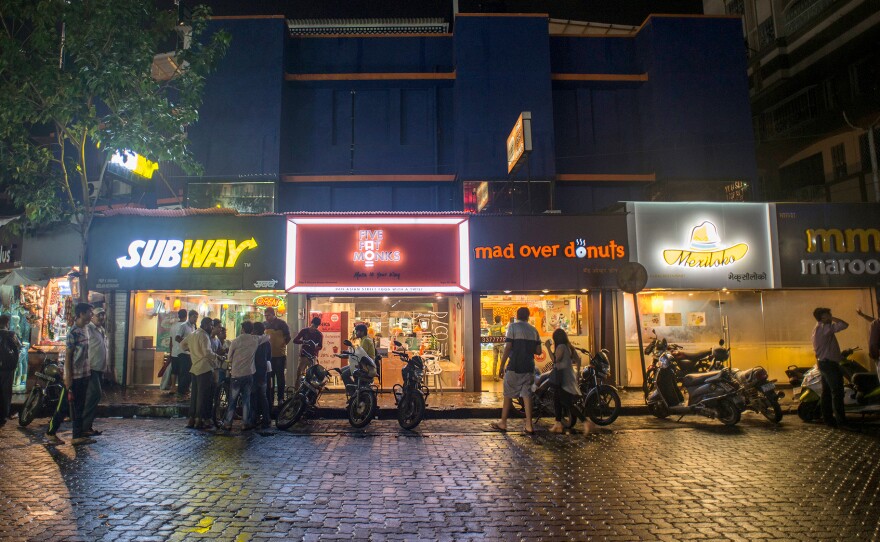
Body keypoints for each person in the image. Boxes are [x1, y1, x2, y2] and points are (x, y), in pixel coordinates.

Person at [46, 303, 95, 445]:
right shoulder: (73, 332)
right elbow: (68, 356)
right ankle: (50, 432)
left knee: (80, 406)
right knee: (64, 406)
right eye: (89, 312)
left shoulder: (85, 329)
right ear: (81, 314)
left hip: (84, 374)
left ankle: (77, 436)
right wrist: (68, 377)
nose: (91, 315)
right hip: (74, 376)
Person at [492, 307, 541, 434]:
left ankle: (503, 422)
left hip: (514, 366)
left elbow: (508, 347)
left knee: (508, 394)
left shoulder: (512, 327)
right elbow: (538, 351)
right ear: (528, 316)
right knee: (527, 395)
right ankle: (529, 425)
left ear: (517, 315)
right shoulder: (534, 330)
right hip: (529, 367)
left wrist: (501, 365)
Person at [811, 307, 852, 430]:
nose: (831, 316)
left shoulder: (817, 329)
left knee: (827, 392)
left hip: (823, 363)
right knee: (837, 392)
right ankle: (842, 422)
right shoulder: (825, 328)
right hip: (829, 365)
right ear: (823, 317)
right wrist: (831, 319)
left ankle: (828, 419)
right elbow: (844, 324)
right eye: (828, 315)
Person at [181, 317, 221, 429]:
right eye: (211, 325)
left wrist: (193, 351)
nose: (212, 327)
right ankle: (199, 419)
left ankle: (191, 419)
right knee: (202, 395)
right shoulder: (204, 336)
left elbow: (182, 345)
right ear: (207, 325)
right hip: (204, 368)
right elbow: (207, 352)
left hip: (194, 368)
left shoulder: (193, 334)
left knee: (194, 394)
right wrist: (218, 357)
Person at [222, 321, 262, 431]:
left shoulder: (236, 341)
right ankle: (245, 423)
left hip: (236, 374)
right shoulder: (255, 340)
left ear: (242, 329)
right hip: (249, 374)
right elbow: (266, 337)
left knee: (232, 400)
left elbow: (229, 358)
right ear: (251, 330)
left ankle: (228, 423)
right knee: (246, 400)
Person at [544, 329, 583, 434]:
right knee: (558, 400)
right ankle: (558, 424)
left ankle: (585, 421)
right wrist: (578, 373)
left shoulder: (561, 347)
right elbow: (578, 359)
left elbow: (555, 360)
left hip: (562, 377)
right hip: (568, 375)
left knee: (566, 402)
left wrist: (548, 347)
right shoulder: (569, 346)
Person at [82, 308, 109, 437]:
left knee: (94, 397)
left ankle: (86, 426)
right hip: (91, 368)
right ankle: (84, 426)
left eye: (103, 315)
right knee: (94, 395)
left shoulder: (101, 330)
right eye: (99, 315)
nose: (102, 317)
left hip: (99, 369)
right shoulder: (89, 329)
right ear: (92, 316)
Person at [264, 307, 291, 409]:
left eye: (268, 315)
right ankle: (270, 398)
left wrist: (281, 345)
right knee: (269, 378)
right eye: (265, 316)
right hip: (268, 356)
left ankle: (280, 398)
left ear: (273, 314)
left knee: (280, 377)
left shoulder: (281, 324)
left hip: (279, 355)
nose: (267, 318)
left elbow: (288, 337)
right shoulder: (264, 325)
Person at [0, 314, 22, 427]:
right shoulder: (11, 334)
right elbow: (19, 345)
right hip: (8, 368)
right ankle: (3, 416)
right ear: (7, 323)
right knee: (5, 392)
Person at [251, 322, 272, 428]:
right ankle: (266, 418)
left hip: (253, 370)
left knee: (253, 395)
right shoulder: (266, 342)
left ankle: (254, 418)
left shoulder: (252, 341)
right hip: (263, 370)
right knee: (263, 396)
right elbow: (269, 356)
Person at [293, 317, 323, 388]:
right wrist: (304, 342)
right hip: (304, 355)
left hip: (312, 356)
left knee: (311, 375)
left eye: (315, 327)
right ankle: (296, 391)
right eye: (313, 326)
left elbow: (320, 346)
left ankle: (309, 391)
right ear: (311, 323)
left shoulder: (319, 334)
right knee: (299, 373)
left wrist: (314, 347)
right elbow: (295, 340)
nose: (313, 328)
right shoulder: (304, 331)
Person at [175, 310, 198, 399]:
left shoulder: (193, 327)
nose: (196, 319)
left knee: (189, 373)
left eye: (196, 317)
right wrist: (185, 345)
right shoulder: (183, 326)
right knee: (183, 373)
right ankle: (180, 392)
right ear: (190, 316)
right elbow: (177, 337)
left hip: (190, 353)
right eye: (194, 317)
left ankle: (185, 390)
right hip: (183, 353)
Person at [857, 306, 880, 381]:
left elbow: (873, 344)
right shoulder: (876, 323)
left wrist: (874, 355)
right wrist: (863, 315)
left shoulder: (876, 324)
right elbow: (874, 320)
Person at [489, 315, 504, 381]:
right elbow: (503, 334)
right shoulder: (501, 326)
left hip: (494, 345)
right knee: (502, 360)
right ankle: (502, 375)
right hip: (501, 345)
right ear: (500, 320)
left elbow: (489, 335)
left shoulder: (491, 327)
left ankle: (494, 376)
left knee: (495, 361)